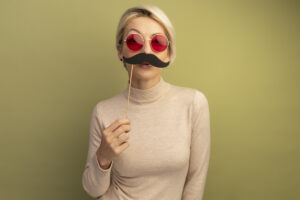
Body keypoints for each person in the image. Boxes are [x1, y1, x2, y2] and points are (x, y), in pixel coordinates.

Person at [82, 4, 211, 200]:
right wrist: (103, 157)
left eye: (157, 42)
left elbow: (196, 179)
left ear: (168, 53)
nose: (146, 51)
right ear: (120, 51)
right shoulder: (103, 111)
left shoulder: (193, 103)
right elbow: (93, 190)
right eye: (135, 41)